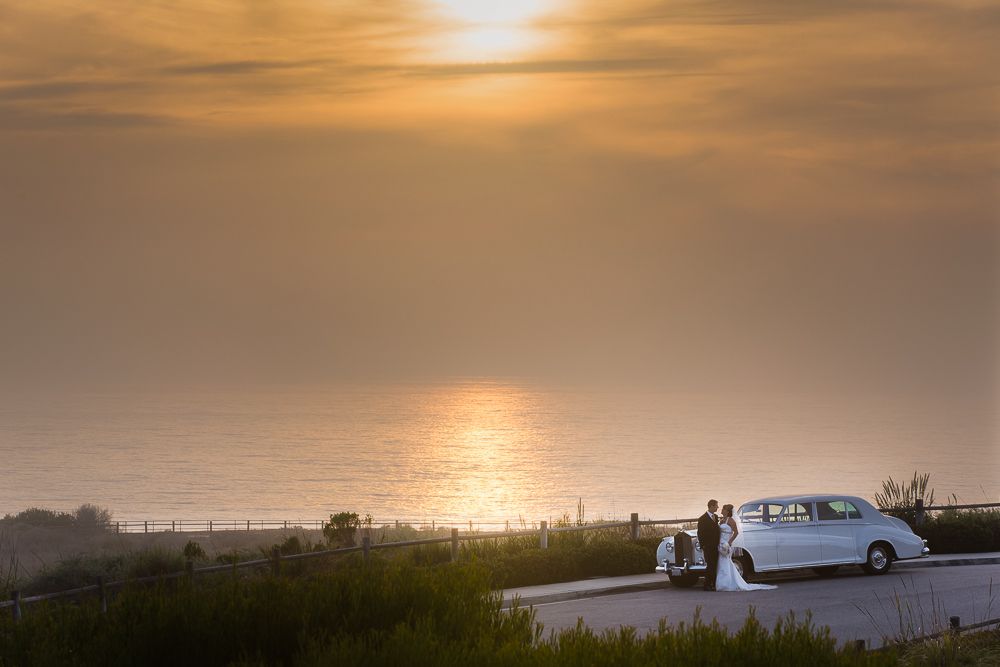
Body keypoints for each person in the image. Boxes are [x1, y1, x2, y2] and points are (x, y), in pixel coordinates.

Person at [715, 503, 777, 592]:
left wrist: (729, 542)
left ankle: (726, 584)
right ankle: (722, 583)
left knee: (725, 562)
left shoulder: (731, 521)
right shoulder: (722, 521)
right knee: (720, 563)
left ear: (727, 511)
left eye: (723, 509)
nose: (721, 510)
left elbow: (736, 532)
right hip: (720, 544)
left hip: (726, 544)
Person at [697, 499, 721, 591]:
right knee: (710, 565)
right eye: (716, 506)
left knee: (714, 565)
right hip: (707, 546)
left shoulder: (716, 516)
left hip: (716, 546)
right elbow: (700, 533)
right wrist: (703, 545)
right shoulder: (702, 519)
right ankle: (707, 584)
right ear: (711, 506)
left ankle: (714, 584)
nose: (717, 507)